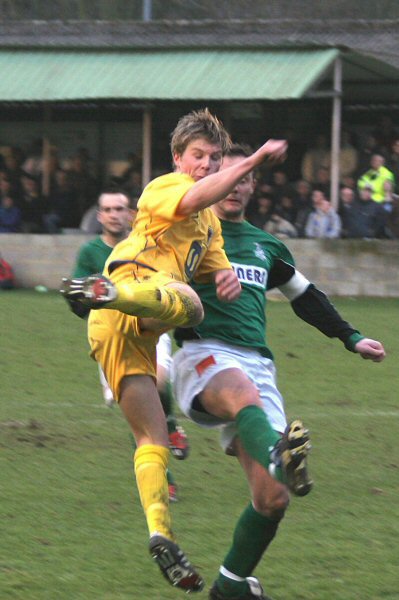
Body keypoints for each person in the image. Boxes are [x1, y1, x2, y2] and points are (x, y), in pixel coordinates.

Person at [61, 108, 287, 594]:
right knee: (190, 306)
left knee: (152, 438)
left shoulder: (211, 227)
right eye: (197, 156)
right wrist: (249, 164)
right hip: (130, 291)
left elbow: (215, 265)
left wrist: (225, 276)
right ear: (177, 158)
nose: (205, 165)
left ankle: (160, 532)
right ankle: (107, 291)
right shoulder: (166, 186)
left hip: (128, 332)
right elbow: (197, 196)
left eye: (212, 157)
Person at [171, 143, 386, 600]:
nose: (236, 185)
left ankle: (230, 584)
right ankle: (277, 451)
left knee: (273, 500)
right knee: (242, 394)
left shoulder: (266, 245)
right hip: (203, 353)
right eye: (227, 175)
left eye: (245, 178)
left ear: (252, 186)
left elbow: (304, 296)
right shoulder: (184, 230)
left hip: (258, 365)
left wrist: (351, 337)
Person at [70, 188, 189, 499]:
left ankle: (171, 424)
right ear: (99, 216)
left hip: (149, 329)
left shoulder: (144, 246)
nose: (113, 214)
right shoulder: (90, 252)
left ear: (130, 214)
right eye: (107, 209)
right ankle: (164, 476)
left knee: (160, 379)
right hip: (113, 337)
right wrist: (81, 297)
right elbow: (78, 297)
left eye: (119, 208)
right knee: (134, 409)